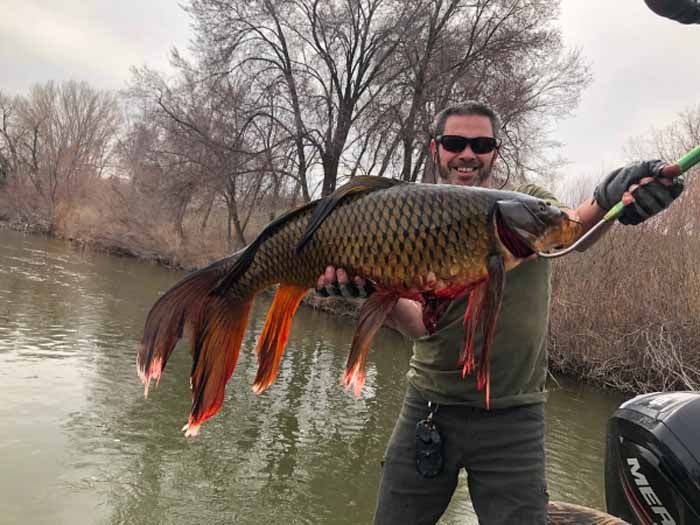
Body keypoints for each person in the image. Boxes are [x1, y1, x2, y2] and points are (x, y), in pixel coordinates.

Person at [316, 100, 684, 524]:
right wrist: (368, 294)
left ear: (495, 151)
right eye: (455, 143)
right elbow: (419, 327)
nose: (467, 154)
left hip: (515, 418)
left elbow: (573, 229)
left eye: (481, 144)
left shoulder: (528, 210)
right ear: (435, 149)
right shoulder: (407, 223)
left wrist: (611, 198)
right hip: (429, 410)